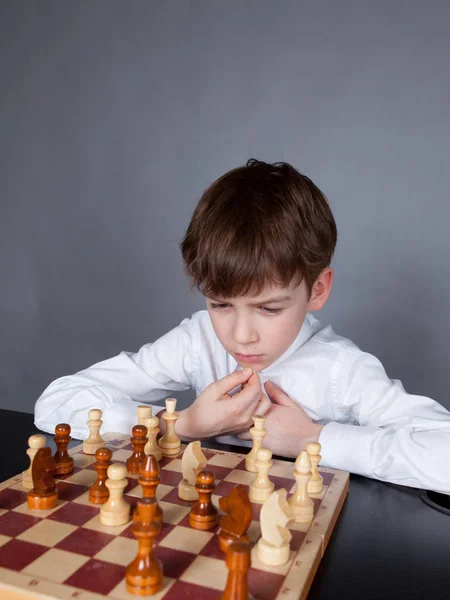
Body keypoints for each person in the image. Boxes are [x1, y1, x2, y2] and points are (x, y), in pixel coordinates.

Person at [34, 159, 450, 493]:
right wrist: (181, 425)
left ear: (318, 288)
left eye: (269, 308)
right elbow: (56, 400)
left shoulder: (341, 369)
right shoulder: (197, 341)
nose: (240, 335)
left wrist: (314, 438)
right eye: (220, 303)